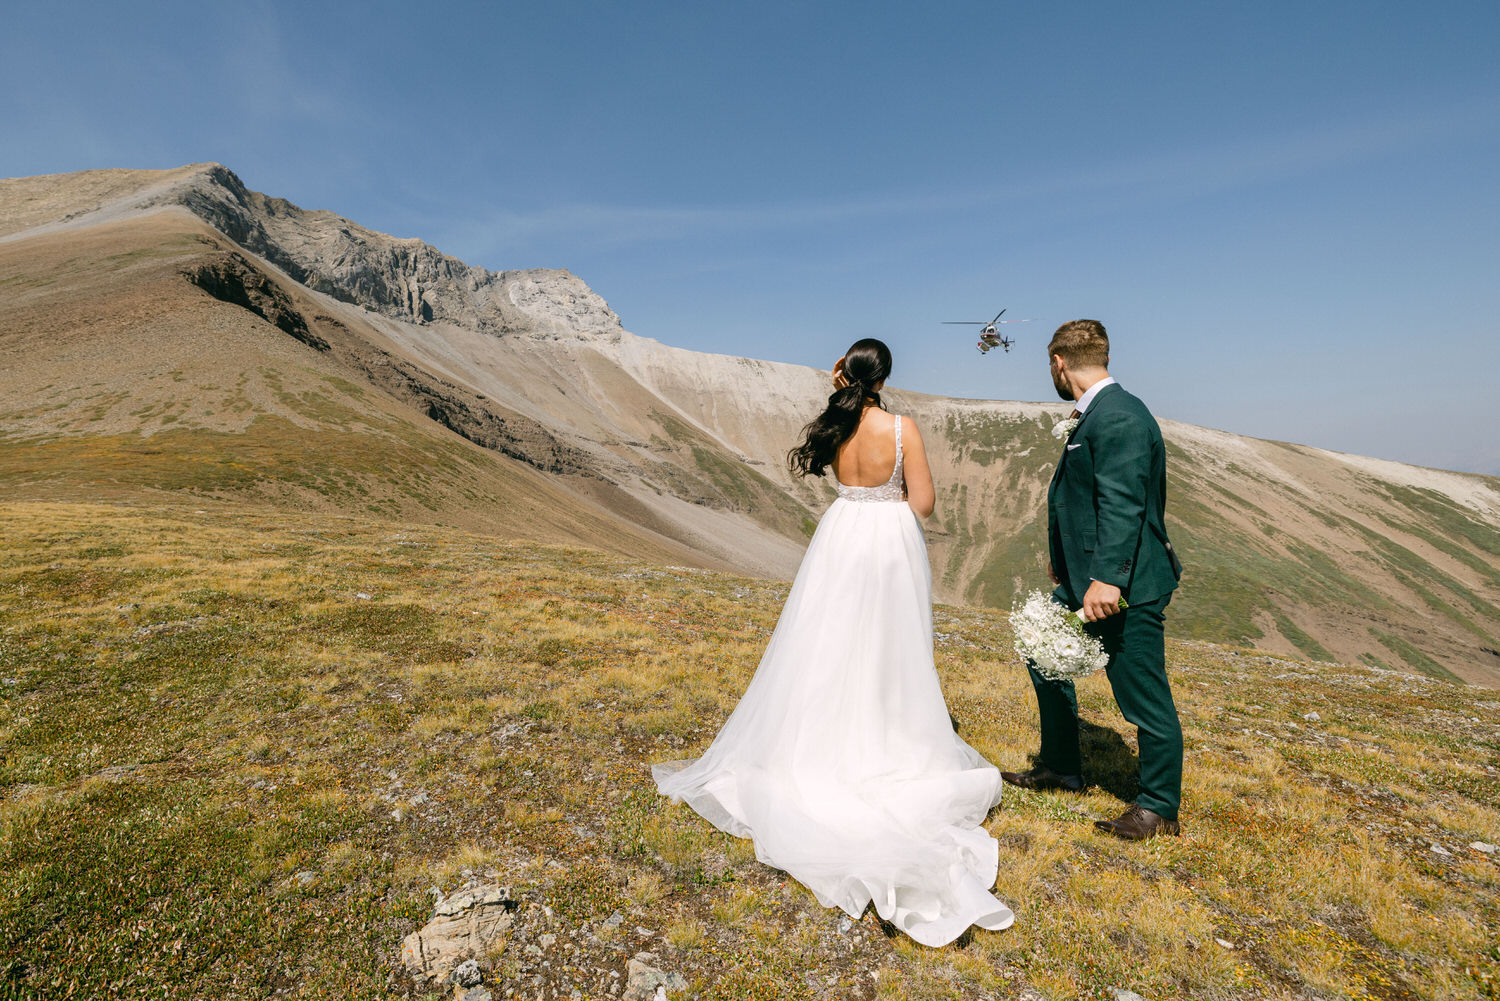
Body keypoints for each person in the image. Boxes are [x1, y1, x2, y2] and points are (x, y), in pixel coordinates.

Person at [653, 338, 1015, 946]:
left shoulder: (836, 423)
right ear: (887, 376)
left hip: (843, 533)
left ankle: (822, 735)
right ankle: (882, 735)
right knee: (888, 648)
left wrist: (838, 389)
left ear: (845, 372)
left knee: (828, 640)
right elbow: (921, 504)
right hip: (888, 540)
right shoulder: (901, 428)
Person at [1002, 319, 1185, 840]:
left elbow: (1123, 504)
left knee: (1141, 694)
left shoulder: (1120, 416)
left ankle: (1157, 807)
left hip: (1124, 587)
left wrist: (1107, 579)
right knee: (1043, 653)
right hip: (1086, 580)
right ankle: (1061, 767)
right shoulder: (1097, 414)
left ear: (1059, 363)